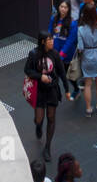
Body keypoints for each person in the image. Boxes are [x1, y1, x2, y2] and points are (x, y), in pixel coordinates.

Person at [24, 33, 69, 161]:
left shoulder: (55, 54)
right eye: (49, 40)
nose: (52, 42)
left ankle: (47, 147)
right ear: (43, 41)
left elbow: (61, 72)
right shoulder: (34, 54)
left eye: (52, 39)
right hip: (39, 90)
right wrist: (40, 76)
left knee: (51, 117)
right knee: (39, 119)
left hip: (52, 89)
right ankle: (38, 126)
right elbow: (27, 70)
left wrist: (66, 89)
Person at [76, 3, 97, 116]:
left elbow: (80, 47)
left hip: (87, 56)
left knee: (88, 83)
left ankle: (88, 109)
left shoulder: (80, 29)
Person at [48, 0, 78, 74]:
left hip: (67, 54)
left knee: (67, 76)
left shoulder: (72, 23)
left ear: (69, 9)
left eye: (65, 7)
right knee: (55, 75)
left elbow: (70, 41)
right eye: (61, 6)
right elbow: (50, 33)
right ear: (59, 7)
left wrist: (61, 55)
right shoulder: (53, 19)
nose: (63, 9)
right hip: (54, 51)